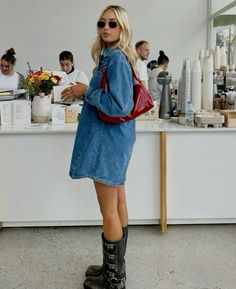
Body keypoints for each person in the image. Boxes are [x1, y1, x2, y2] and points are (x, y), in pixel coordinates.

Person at [67, 5, 137, 289]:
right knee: (118, 202)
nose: (105, 27)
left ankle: (114, 280)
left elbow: (120, 105)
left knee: (109, 209)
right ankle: (114, 267)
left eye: (113, 23)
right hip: (114, 139)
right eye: (101, 23)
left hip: (108, 142)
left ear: (122, 28)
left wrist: (87, 91)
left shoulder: (117, 60)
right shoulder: (111, 57)